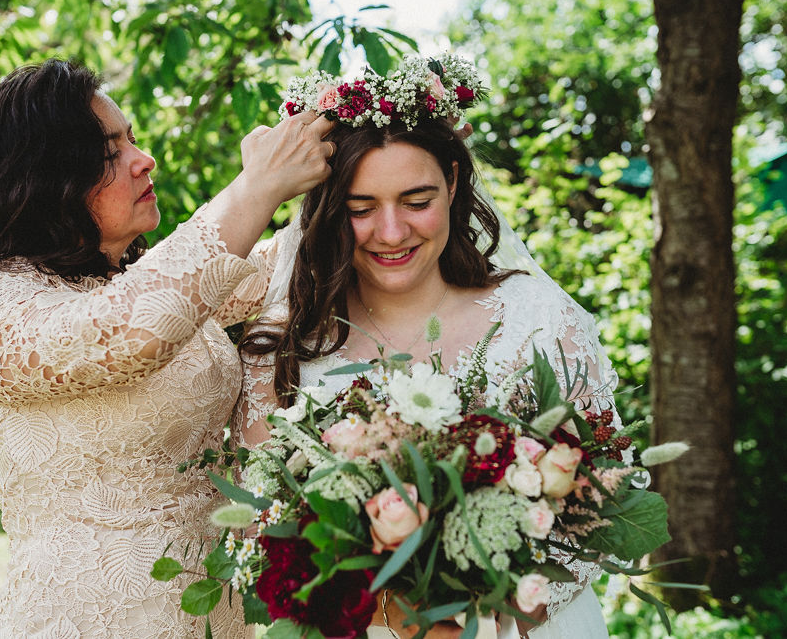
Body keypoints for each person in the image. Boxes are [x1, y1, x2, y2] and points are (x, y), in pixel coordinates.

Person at [0, 58, 334, 638]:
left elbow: (288, 272)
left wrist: (365, 136)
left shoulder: (140, 277)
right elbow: (122, 335)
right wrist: (257, 185)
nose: (144, 160)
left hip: (214, 613)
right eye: (109, 152)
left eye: (133, 140)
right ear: (42, 177)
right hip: (87, 618)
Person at [237, 55, 618, 638]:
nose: (391, 232)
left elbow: (602, 500)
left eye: (417, 201)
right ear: (327, 209)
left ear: (455, 184)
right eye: (360, 209)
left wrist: (486, 602)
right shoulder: (283, 346)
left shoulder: (540, 323)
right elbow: (261, 524)